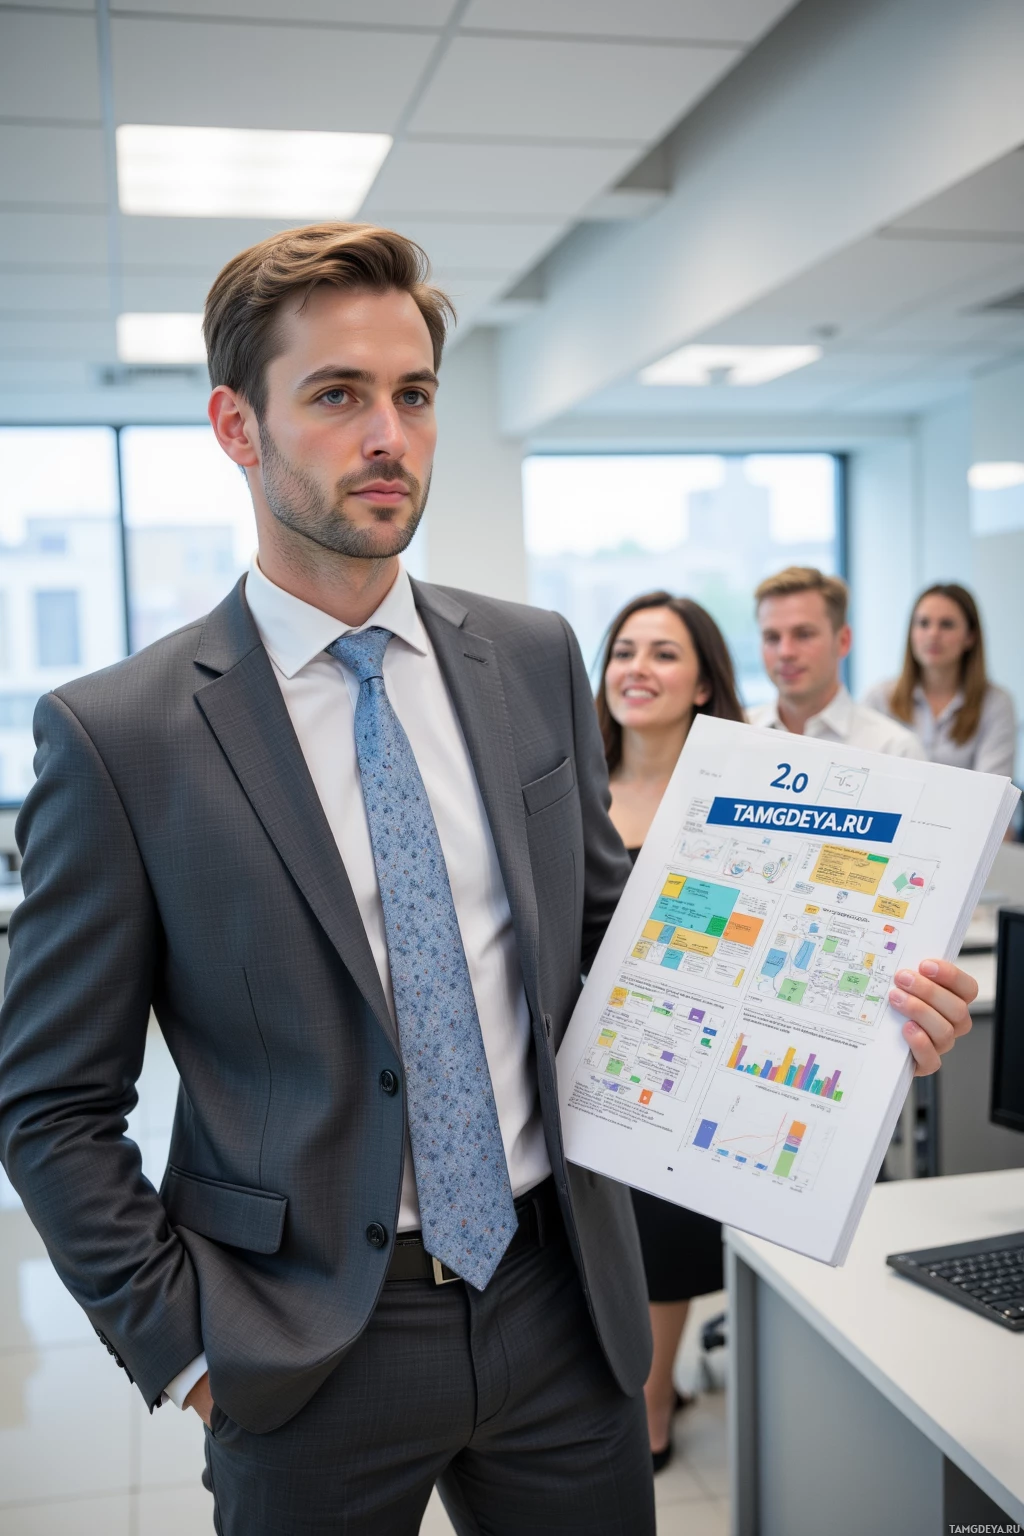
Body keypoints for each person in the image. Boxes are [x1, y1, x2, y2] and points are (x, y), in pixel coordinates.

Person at [0, 225, 977, 1536]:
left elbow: (609, 949)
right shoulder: (120, 737)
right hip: (303, 1341)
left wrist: (855, 1022)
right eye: (339, 395)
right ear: (238, 426)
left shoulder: (524, 659)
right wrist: (184, 1350)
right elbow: (53, 1104)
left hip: (558, 1297)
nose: (389, 434)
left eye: (414, 394)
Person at [596, 591, 744, 1473]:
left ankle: (652, 1404)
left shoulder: (729, 795)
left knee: (659, 1233)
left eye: (662, 653)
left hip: (694, 1050)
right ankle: (637, 1383)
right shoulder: (569, 782)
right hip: (584, 1047)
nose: (637, 670)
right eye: (623, 651)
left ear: (701, 683)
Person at [748, 565, 924, 757]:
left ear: (843, 641)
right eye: (772, 637)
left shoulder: (893, 750)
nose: (785, 652)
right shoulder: (734, 733)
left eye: (804, 635)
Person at [864, 583, 1017, 779]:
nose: (933, 634)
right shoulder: (879, 698)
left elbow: (994, 794)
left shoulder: (995, 703)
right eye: (923, 623)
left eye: (946, 624)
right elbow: (865, 778)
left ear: (970, 637)